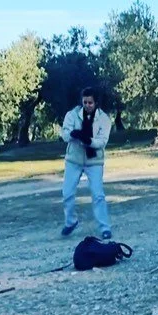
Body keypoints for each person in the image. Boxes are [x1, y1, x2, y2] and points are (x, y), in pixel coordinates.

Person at [60, 87, 113, 239]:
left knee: (98, 195)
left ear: (96, 103)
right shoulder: (72, 115)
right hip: (74, 160)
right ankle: (70, 222)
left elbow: (102, 142)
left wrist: (88, 140)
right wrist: (73, 134)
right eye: (85, 102)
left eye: (90, 102)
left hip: (94, 161)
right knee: (67, 193)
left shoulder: (104, 119)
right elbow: (64, 134)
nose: (87, 105)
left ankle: (105, 227)